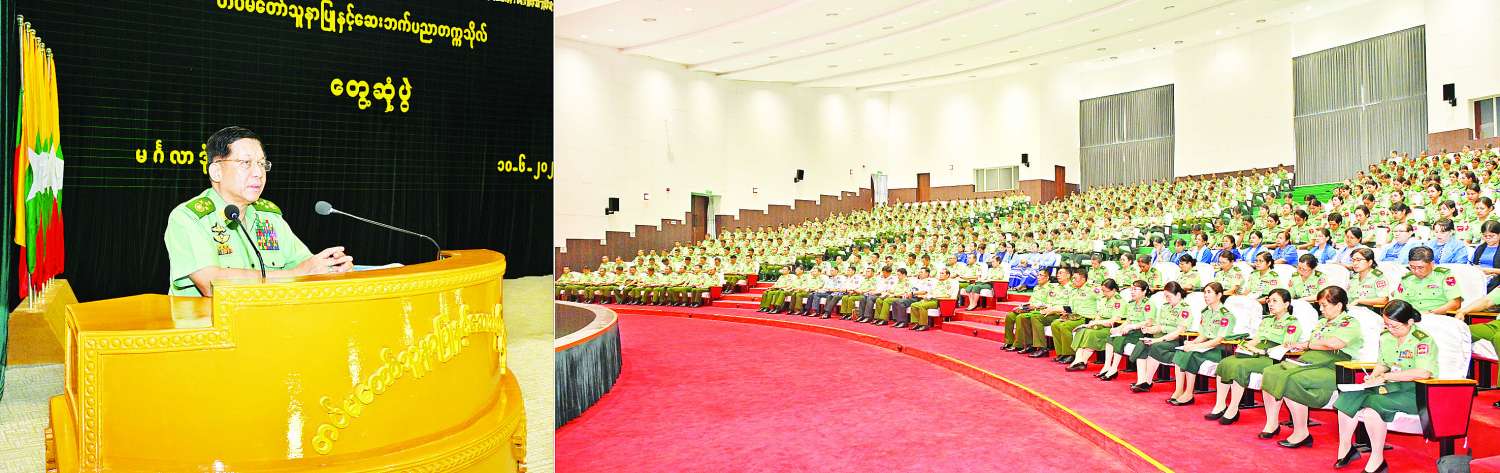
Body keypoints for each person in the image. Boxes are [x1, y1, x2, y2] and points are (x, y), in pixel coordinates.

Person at [166, 126, 352, 297]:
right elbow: (211, 283)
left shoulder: (269, 217)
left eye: (262, 164)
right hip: (209, 321)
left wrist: (331, 266)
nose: (259, 173)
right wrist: (295, 274)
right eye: (246, 163)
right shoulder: (189, 218)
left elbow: (306, 266)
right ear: (216, 172)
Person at [1331, 300, 1434, 473]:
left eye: (1395, 326)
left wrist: (1386, 376)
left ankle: (1377, 459)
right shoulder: (1386, 337)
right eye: (1387, 325)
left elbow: (1423, 372)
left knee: (1374, 404)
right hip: (1393, 385)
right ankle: (1346, 448)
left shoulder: (1422, 341)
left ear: (1409, 322)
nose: (1390, 330)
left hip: (1417, 390)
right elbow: (1383, 363)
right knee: (1348, 396)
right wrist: (1373, 376)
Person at [1261, 286, 1364, 449]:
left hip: (1335, 366)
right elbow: (1317, 343)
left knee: (1291, 378)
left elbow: (1335, 344)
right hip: (1311, 359)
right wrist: (1300, 345)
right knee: (1270, 371)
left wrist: (1310, 344)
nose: (1321, 309)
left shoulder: (1349, 323)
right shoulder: (1322, 322)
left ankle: (1301, 432)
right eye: (1320, 305)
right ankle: (1272, 424)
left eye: (1324, 305)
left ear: (1339, 306)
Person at [1214, 288, 1300, 430]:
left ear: (1286, 304)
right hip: (1258, 350)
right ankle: (1220, 405)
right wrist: (1246, 346)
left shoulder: (1292, 322)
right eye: (1269, 301)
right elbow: (1257, 339)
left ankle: (1233, 408)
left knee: (1240, 366)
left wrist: (1263, 351)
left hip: (1273, 356)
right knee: (1225, 362)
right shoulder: (1267, 320)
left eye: (1275, 301)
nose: (1270, 304)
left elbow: (1286, 345)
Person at [1130, 281, 1192, 393]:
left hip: (1176, 340)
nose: (1167, 299)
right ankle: (1141, 380)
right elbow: (1159, 326)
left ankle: (1147, 381)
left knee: (1155, 345)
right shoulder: (1165, 307)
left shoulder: (1185, 309)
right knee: (1143, 343)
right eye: (1165, 296)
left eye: (1169, 296)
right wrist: (1149, 329)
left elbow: (1179, 331)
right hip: (1162, 338)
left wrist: (1157, 339)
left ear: (1178, 295)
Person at [1067, 278, 1123, 372]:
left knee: (1091, 333)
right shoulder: (1104, 299)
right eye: (1103, 291)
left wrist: (1096, 323)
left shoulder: (1118, 301)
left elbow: (1114, 321)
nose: (1104, 293)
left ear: (1113, 290)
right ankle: (1078, 360)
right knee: (1081, 330)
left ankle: (1083, 361)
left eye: (1106, 291)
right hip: (1100, 323)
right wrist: (1091, 323)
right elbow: (1098, 314)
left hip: (1111, 328)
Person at [1049, 269, 1102, 364]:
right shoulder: (1074, 290)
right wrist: (1066, 313)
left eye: (1075, 278)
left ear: (1083, 279)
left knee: (1065, 326)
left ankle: (1070, 354)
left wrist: (1099, 314)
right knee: (1055, 324)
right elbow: (1070, 307)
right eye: (1072, 278)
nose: (1073, 280)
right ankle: (1061, 353)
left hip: (1086, 318)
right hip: (1074, 316)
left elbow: (1104, 298)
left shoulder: (1092, 289)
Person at [1395, 246, 1463, 315]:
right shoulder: (1406, 280)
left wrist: (1430, 313)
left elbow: (1455, 303)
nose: (1416, 271)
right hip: (1410, 318)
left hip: (1437, 317)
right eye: (1412, 267)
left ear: (1432, 264)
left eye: (1420, 267)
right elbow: (1396, 303)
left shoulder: (1444, 277)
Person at [1003, 270, 1059, 351]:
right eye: (1038, 275)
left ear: (1047, 277)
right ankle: (1009, 341)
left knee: (1020, 317)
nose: (1038, 277)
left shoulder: (1051, 288)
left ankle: (1019, 344)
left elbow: (1048, 304)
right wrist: (1022, 307)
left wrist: (1034, 307)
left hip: (1039, 310)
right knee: (1010, 315)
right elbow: (1030, 302)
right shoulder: (1036, 287)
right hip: (1030, 308)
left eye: (1041, 275)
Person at [1471, 220, 1500, 292]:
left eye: (1491, 236)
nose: (1488, 238)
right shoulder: (1480, 248)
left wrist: (1489, 271)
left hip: (1496, 280)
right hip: (1480, 277)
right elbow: (1473, 264)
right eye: (1485, 236)